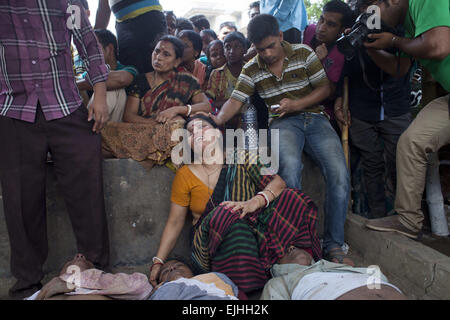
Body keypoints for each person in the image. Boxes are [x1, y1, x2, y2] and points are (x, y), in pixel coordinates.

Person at [207, 14, 353, 266]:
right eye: (261, 49)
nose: (267, 53)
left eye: (271, 46)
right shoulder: (252, 68)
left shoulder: (303, 53)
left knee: (339, 173)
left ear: (280, 37)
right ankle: (296, 243)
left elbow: (326, 89)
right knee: (289, 170)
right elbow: (235, 101)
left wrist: (296, 103)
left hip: (315, 119)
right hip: (282, 122)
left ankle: (334, 244)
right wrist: (215, 121)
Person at [0, 0, 110, 300]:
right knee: (20, 201)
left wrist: (99, 94)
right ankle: (27, 285)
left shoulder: (67, 2)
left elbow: (88, 42)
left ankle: (94, 269)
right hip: (13, 108)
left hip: (65, 104)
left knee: (86, 186)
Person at [149, 115, 321, 294]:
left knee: (292, 197)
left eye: (203, 128)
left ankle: (283, 263)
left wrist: (255, 202)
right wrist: (158, 261)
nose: (197, 134)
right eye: (191, 132)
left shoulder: (243, 157)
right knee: (227, 211)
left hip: (251, 233)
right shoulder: (185, 174)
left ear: (217, 133)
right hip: (209, 245)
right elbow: (175, 222)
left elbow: (277, 182)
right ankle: (247, 287)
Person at [363, 0, 449, 239]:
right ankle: (409, 220)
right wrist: (371, 48)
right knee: (411, 141)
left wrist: (392, 41)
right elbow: (400, 68)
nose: (373, 19)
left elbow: (439, 46)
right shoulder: (409, 26)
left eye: (373, 11)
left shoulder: (425, 2)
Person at [335, 0, 414, 219]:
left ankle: (406, 217)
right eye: (363, 9)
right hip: (362, 109)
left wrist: (369, 47)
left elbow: (399, 68)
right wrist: (340, 98)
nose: (367, 13)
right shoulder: (356, 28)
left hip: (395, 107)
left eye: (372, 7)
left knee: (402, 163)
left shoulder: (401, 28)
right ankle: (378, 214)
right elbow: (346, 70)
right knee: (372, 163)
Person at [101, 36, 211, 165]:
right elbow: (129, 115)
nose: (158, 57)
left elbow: (206, 106)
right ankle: (155, 151)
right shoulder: (141, 80)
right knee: (105, 130)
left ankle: (142, 151)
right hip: (144, 128)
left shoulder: (188, 81)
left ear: (177, 61)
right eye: (156, 51)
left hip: (170, 130)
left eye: (166, 54)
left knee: (178, 127)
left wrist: (177, 109)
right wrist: (153, 123)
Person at [261, 247, 406, 300]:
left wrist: (338, 267)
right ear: (276, 269)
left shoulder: (338, 268)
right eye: (285, 251)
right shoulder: (279, 283)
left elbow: (380, 278)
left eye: (296, 246)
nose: (292, 247)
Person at [302, 0, 353, 131]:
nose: (322, 28)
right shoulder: (308, 31)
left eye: (330, 24)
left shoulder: (342, 53)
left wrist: (317, 65)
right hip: (295, 107)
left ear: (342, 30)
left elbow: (330, 94)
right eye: (321, 20)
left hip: (324, 114)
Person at [77, 29, 139, 122]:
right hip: (90, 115)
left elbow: (121, 80)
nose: (87, 54)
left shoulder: (128, 69)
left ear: (109, 48)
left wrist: (78, 84)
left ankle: (89, 126)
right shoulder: (87, 74)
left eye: (92, 49)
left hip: (117, 121)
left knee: (110, 87)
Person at [29, 254, 152, 300]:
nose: (79, 255)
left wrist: (76, 283)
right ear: (61, 272)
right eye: (70, 262)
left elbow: (142, 287)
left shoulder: (110, 283)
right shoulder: (45, 290)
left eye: (87, 261)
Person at [94, 0, 167, 74]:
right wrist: (93, 39)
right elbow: (103, 7)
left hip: (150, 18)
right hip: (123, 25)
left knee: (154, 65)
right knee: (130, 67)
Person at [206, 32, 248, 127]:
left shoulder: (251, 70)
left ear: (245, 49)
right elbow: (211, 102)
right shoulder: (216, 74)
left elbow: (254, 102)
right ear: (224, 51)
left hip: (249, 121)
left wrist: (224, 103)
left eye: (237, 47)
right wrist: (239, 103)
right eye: (228, 47)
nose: (232, 51)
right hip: (225, 122)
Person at [149, 260, 240, 300]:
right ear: (160, 283)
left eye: (179, 265)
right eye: (165, 272)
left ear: (191, 271)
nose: (172, 268)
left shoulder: (215, 277)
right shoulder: (161, 290)